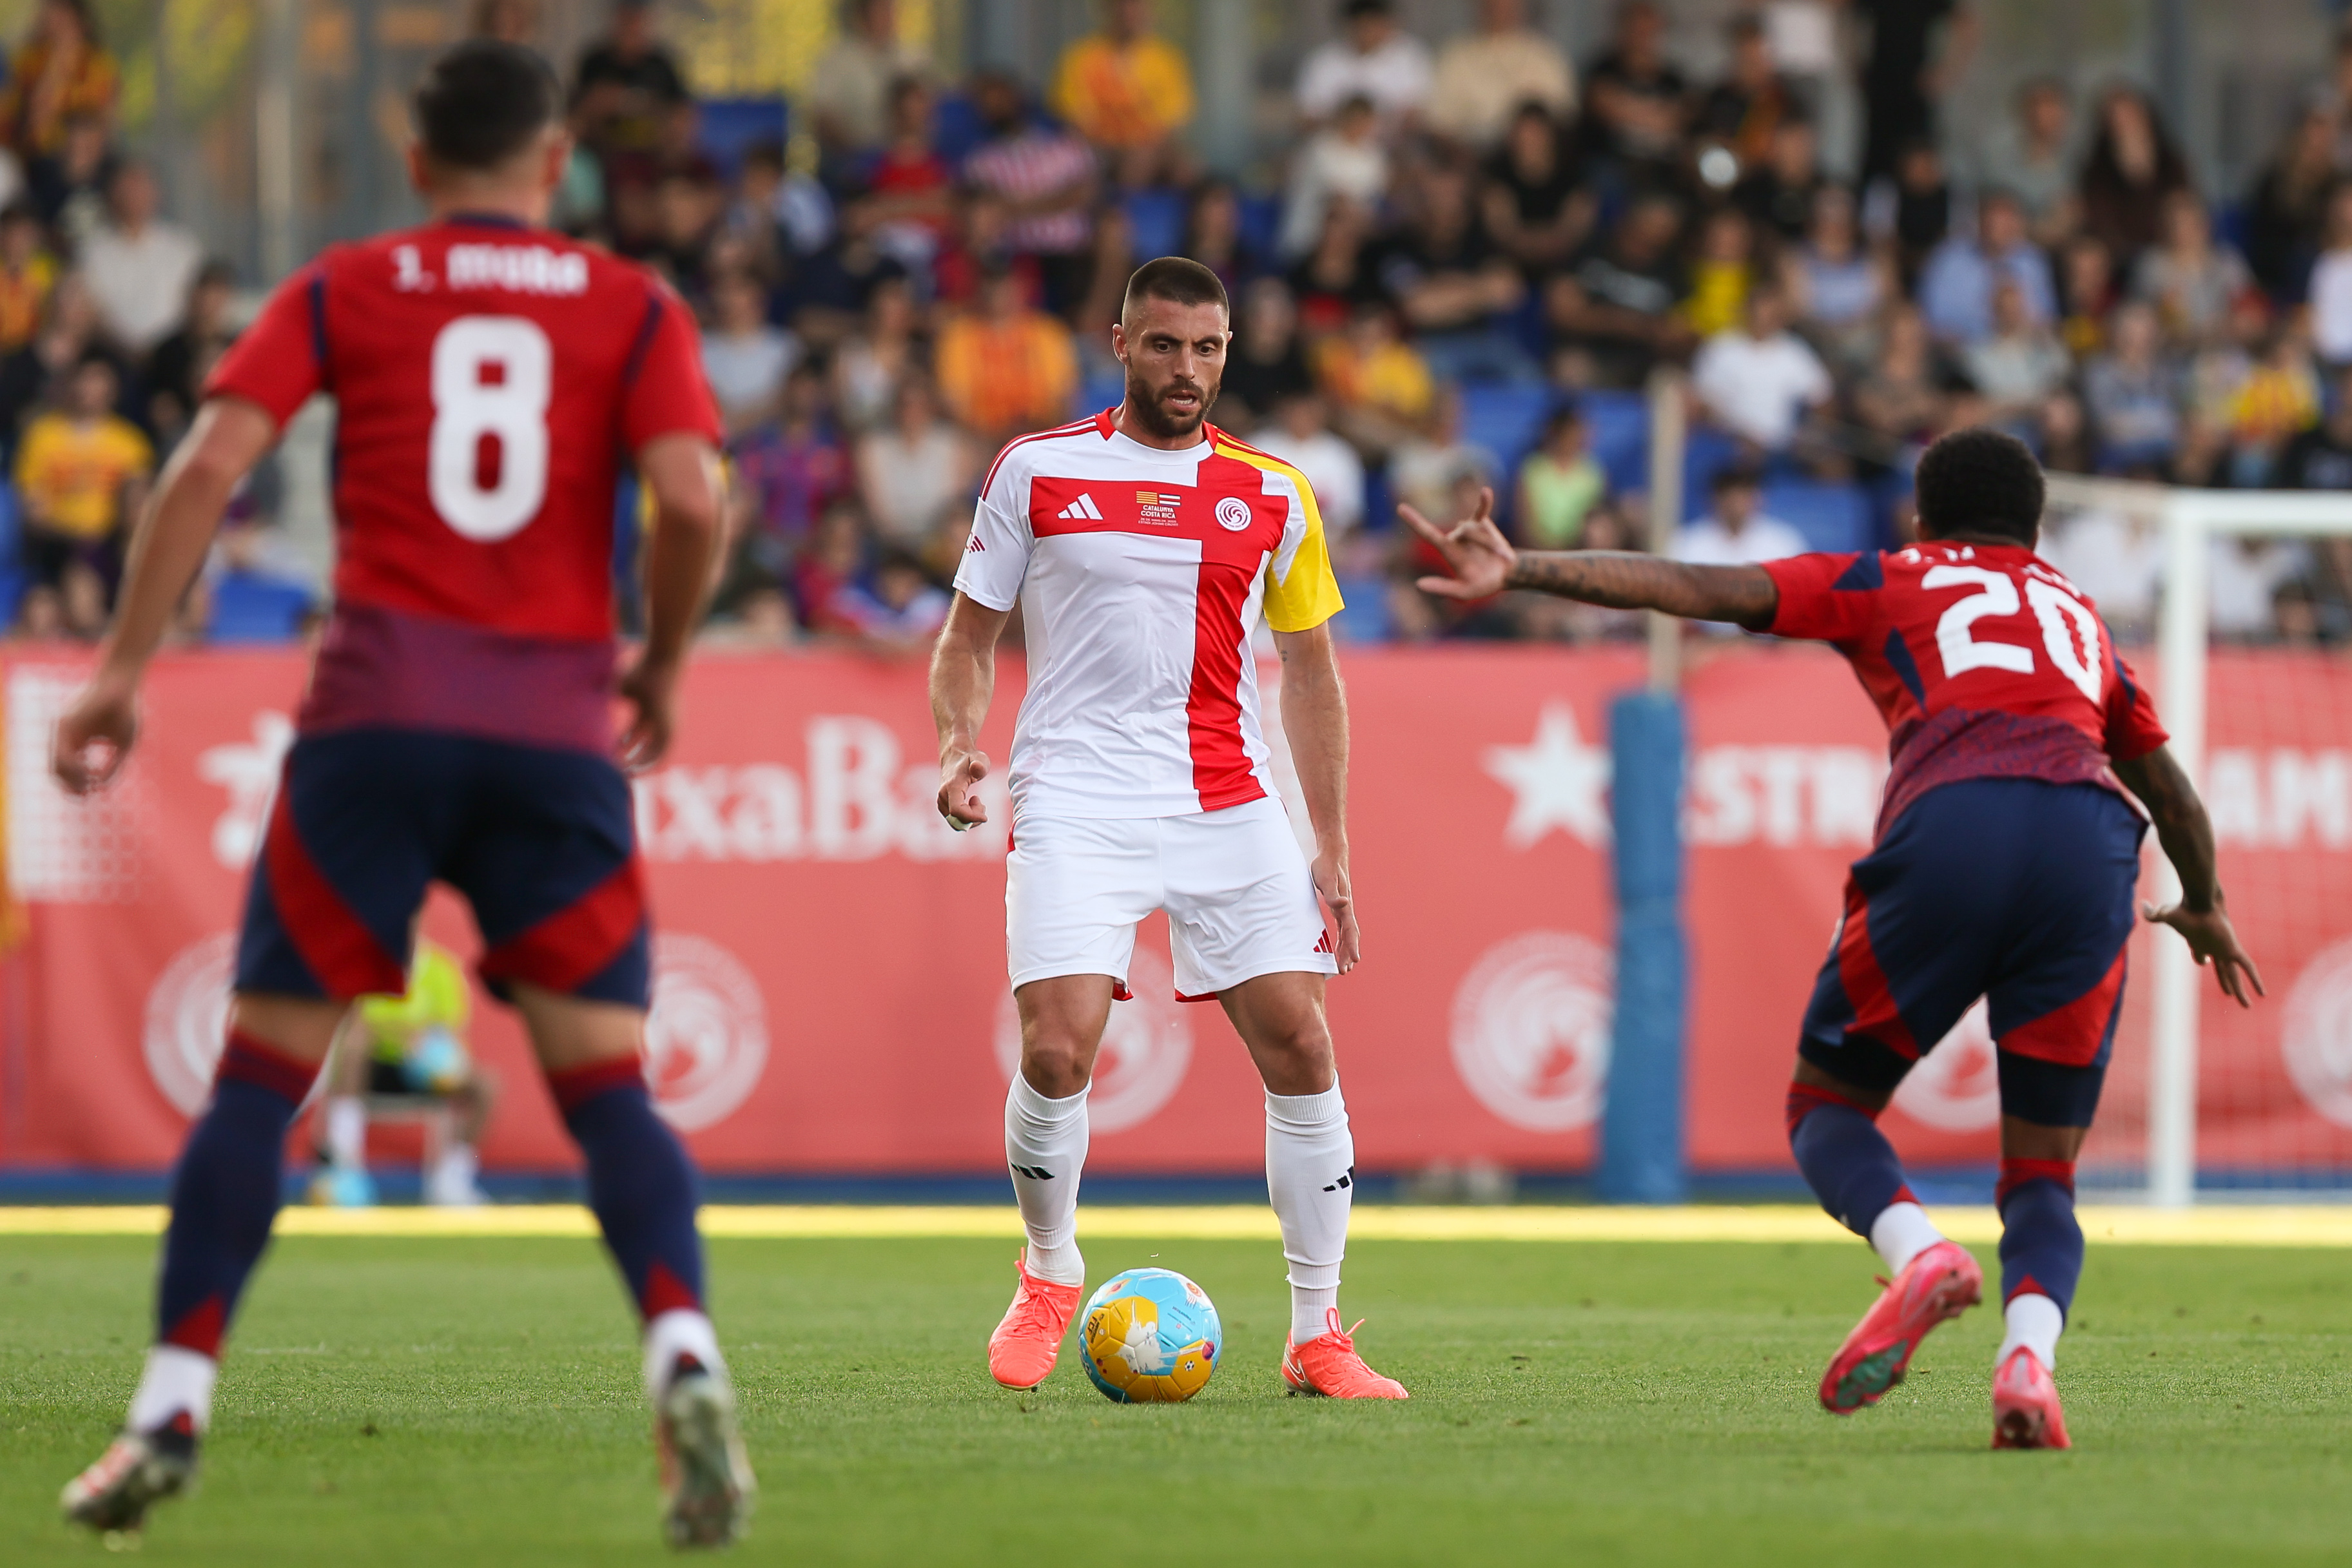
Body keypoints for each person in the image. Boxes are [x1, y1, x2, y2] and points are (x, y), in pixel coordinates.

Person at [49, 43, 750, 1544]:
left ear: (420, 164)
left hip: (373, 721)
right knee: (606, 1088)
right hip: (553, 727)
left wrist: (119, 671)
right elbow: (695, 496)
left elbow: (204, 467)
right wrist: (664, 659)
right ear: (554, 164)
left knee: (259, 1078)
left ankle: (171, 1399)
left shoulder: (345, 285)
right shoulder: (632, 304)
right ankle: (683, 1353)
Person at [1404, 426, 2261, 1450]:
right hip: (2091, 844)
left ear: (1921, 519)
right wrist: (2204, 902)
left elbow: (1704, 587)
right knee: (2043, 1170)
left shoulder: (1892, 577)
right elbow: (2169, 791)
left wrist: (1525, 568)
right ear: (2034, 532)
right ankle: (2026, 1361)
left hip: (1959, 820)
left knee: (1826, 1107)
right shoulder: (2076, 615)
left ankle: (1920, 1253)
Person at [932, 256, 1404, 1402]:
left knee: (1301, 1044)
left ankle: (1316, 1332)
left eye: (1206, 348)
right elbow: (968, 638)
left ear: (1227, 352)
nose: (1185, 368)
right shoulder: (1037, 470)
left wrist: (1331, 844)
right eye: (1163, 345)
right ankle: (1048, 1270)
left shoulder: (1275, 493)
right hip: (1075, 797)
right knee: (1057, 1050)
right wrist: (956, 744)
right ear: (1120, 344)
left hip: (1227, 798)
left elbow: (1311, 675)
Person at [311, 938, 497, 1209]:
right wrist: (404, 1037)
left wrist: (427, 1047)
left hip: (425, 1072)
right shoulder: (366, 963)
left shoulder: (440, 968)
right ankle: (343, 1168)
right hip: (374, 1068)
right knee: (354, 1050)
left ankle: (452, 1180)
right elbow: (356, 1022)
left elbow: (449, 1031)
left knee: (485, 1086)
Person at [14, 351, 148, 620]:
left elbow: (140, 504)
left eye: (99, 382)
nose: (90, 389)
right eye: (84, 380)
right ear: (71, 384)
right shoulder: (43, 436)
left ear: (113, 390)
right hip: (57, 547)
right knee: (77, 589)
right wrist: (72, 534)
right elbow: (33, 508)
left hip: (113, 546)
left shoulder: (130, 443)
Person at [961, 71, 1098, 320]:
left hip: (1070, 253)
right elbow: (989, 207)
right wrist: (1053, 201)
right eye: (988, 102)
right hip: (1016, 254)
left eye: (1001, 98)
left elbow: (1082, 194)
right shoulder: (981, 160)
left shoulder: (1062, 146)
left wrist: (1018, 206)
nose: (996, 106)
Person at [1051, 0, 1196, 186]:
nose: (1131, 14)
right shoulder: (1080, 57)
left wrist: (1144, 148)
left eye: (1139, 6)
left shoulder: (1167, 60)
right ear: (1108, 9)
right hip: (1099, 150)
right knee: (1136, 163)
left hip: (1150, 149)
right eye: (1125, 6)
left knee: (1188, 168)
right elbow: (1075, 124)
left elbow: (1170, 126)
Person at [935, 264, 1080, 442]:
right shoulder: (958, 335)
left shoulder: (1048, 333)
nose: (998, 294)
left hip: (1041, 435)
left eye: (1004, 286)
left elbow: (1065, 398)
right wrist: (992, 438)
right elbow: (954, 405)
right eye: (992, 285)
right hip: (980, 441)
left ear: (1021, 289)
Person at [79, 160, 205, 359]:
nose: (134, 196)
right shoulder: (93, 250)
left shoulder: (182, 247)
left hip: (174, 358)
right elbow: (90, 310)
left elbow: (199, 303)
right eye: (127, 189)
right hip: (112, 357)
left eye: (141, 187)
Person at [1689, 286, 1832, 455]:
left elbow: (1821, 398)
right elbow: (1701, 402)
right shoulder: (1719, 348)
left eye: (1775, 312)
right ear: (1748, 310)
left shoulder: (1795, 352)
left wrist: (1814, 432)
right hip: (1726, 442)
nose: (1769, 317)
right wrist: (1740, 437)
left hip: (1782, 448)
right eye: (1764, 310)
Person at [1424, 0, 1575, 153]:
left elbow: (1564, 117)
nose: (1499, 7)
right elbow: (1438, 124)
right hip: (1471, 158)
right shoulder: (1454, 57)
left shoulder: (1545, 57)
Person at [1853, 0, 1974, 187]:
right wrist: (1852, 62)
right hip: (1879, 86)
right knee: (1876, 159)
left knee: (1917, 159)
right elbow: (1845, 13)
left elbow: (1967, 23)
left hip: (1916, 89)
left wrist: (1948, 71)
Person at [1916, 188, 2056, 346]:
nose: (1999, 230)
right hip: (1959, 351)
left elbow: (2046, 318)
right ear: (1978, 222)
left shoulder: (2034, 261)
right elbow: (1929, 318)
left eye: (2007, 223)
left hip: (2020, 349)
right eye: (1992, 222)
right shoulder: (1948, 259)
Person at [856, 376, 974, 546]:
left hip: (940, 542)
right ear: (895, 408)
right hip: (890, 543)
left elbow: (956, 503)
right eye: (906, 405)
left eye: (919, 405)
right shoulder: (872, 448)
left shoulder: (952, 444)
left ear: (931, 407)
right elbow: (877, 511)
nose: (912, 412)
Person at [805, 0, 928, 158]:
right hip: (849, 156)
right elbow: (821, 116)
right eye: (881, 13)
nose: (888, 18)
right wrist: (856, 151)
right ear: (861, 18)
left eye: (890, 12)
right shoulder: (836, 61)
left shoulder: (913, 58)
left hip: (902, 154)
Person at [1295, 0, 1431, 139]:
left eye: (1375, 25)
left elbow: (1419, 112)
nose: (1369, 32)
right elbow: (1307, 118)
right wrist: (1351, 125)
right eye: (1363, 26)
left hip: (1395, 141)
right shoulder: (1322, 61)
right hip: (1337, 142)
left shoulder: (1410, 56)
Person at [0, 0, 116, 159]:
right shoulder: (29, 62)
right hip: (38, 156)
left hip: (84, 156)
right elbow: (34, 129)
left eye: (61, 15)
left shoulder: (98, 66)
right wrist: (57, 66)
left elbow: (105, 125)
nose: (53, 21)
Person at [699, 269, 797, 434]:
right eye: (724, 291)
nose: (729, 299)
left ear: (758, 296)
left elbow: (792, 398)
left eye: (738, 290)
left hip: (771, 442)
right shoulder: (700, 345)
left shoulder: (786, 346)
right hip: (717, 440)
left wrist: (749, 420)